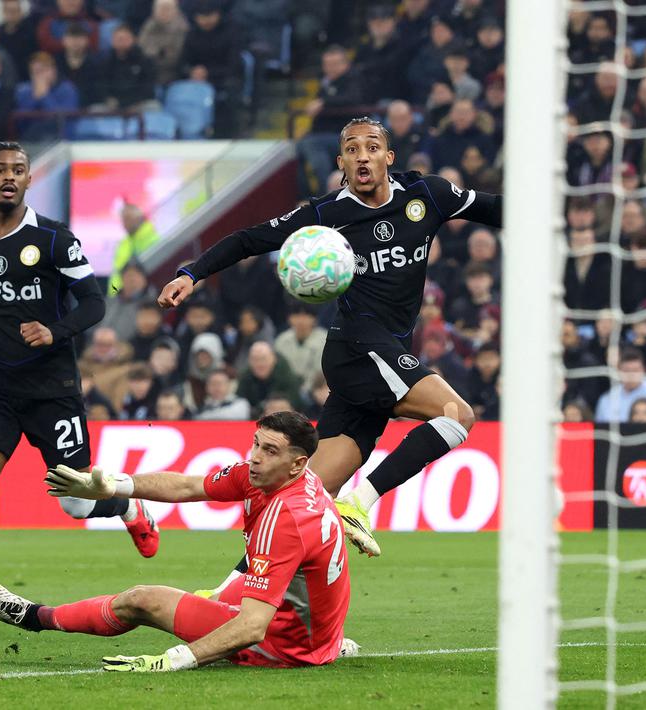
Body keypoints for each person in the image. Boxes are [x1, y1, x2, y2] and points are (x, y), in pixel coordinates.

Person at [158, 117, 503, 560]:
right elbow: (250, 239)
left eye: (372, 147)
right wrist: (192, 273)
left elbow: (493, 208)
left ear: (388, 157)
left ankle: (228, 596)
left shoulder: (427, 195)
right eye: (353, 149)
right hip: (357, 348)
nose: (363, 156)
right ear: (341, 161)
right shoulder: (326, 215)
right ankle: (359, 503)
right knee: (457, 415)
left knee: (305, 501)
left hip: (383, 355)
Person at [0, 142, 160, 637]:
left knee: (76, 503)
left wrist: (54, 331)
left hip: (51, 389)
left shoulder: (55, 239)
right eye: (1, 169)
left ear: (29, 179)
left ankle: (126, 505)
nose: (10, 177)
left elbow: (94, 303)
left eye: (19, 170)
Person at [0, 411, 357, 671]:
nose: (255, 457)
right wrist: (114, 487)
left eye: (269, 450)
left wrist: (174, 659)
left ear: (297, 462)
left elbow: (253, 627)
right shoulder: (285, 479)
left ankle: (35, 617)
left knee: (143, 600)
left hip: (282, 644)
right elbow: (188, 485)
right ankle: (329, 643)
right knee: (217, 596)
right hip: (311, 623)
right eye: (256, 443)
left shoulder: (284, 517)